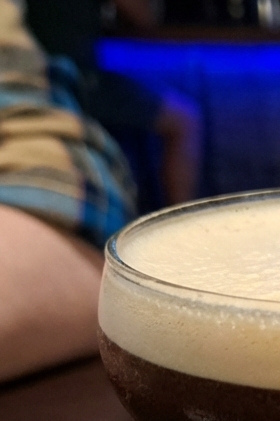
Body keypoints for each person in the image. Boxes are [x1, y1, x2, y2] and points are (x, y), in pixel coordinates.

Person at [1, 0, 135, 383]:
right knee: (184, 120)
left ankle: (168, 226)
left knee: (183, 120)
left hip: (81, 87)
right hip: (90, 83)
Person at [25, 0, 202, 205]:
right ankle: (178, 222)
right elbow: (145, 16)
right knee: (186, 119)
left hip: (36, 82)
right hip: (70, 86)